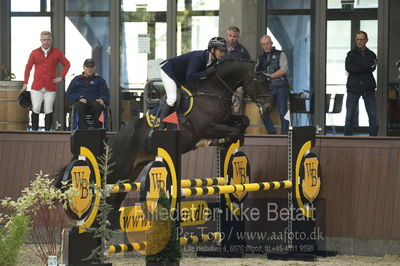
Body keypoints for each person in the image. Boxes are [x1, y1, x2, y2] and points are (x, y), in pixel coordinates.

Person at [159, 36, 227, 121]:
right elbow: (190, 76)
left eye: (224, 51)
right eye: (221, 51)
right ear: (212, 50)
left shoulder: (214, 61)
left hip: (181, 76)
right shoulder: (198, 57)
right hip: (169, 71)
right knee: (172, 99)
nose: (223, 54)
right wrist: (206, 73)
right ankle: (161, 125)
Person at [21, 30, 70, 131]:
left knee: (48, 109)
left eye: (48, 40)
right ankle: (34, 131)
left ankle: (47, 132)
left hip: (50, 86)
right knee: (36, 108)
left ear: (51, 40)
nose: (46, 42)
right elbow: (28, 67)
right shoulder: (34, 53)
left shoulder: (57, 52)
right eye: (44, 40)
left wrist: (61, 77)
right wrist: (26, 83)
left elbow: (67, 64)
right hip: (36, 86)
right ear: (40, 40)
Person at [344, 31, 378, 136]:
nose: (359, 42)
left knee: (372, 115)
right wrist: (365, 67)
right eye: (357, 39)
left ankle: (373, 139)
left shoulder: (371, 54)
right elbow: (349, 68)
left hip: (368, 88)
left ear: (366, 40)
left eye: (361, 39)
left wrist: (358, 67)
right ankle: (348, 139)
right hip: (353, 88)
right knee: (349, 115)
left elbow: (372, 67)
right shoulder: (350, 54)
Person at [255, 35, 289, 134]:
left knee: (283, 113)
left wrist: (270, 76)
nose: (266, 46)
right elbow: (255, 73)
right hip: (266, 90)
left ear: (271, 43)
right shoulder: (260, 58)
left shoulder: (280, 54)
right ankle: (273, 135)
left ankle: (285, 136)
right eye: (263, 44)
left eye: (267, 43)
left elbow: (284, 70)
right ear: (261, 46)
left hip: (280, 87)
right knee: (263, 113)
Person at [66, 59, 110, 129]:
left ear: (94, 68)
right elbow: (69, 93)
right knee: (80, 106)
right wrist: (79, 98)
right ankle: (83, 129)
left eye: (91, 67)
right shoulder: (76, 79)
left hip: (95, 102)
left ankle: (97, 129)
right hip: (82, 102)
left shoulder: (100, 80)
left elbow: (106, 93)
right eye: (88, 67)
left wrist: (102, 99)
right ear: (84, 67)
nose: (90, 69)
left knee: (98, 105)